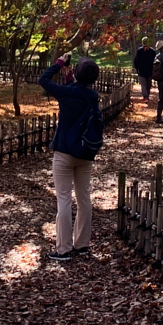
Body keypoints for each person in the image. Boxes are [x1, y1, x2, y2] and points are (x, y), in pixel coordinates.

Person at [39, 54, 102, 262]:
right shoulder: (93, 97)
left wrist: (58, 63)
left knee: (64, 199)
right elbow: (80, 94)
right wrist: (70, 77)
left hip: (64, 152)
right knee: (84, 198)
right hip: (85, 153)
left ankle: (63, 248)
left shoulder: (66, 94)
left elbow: (44, 80)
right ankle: (82, 244)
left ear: (77, 73)